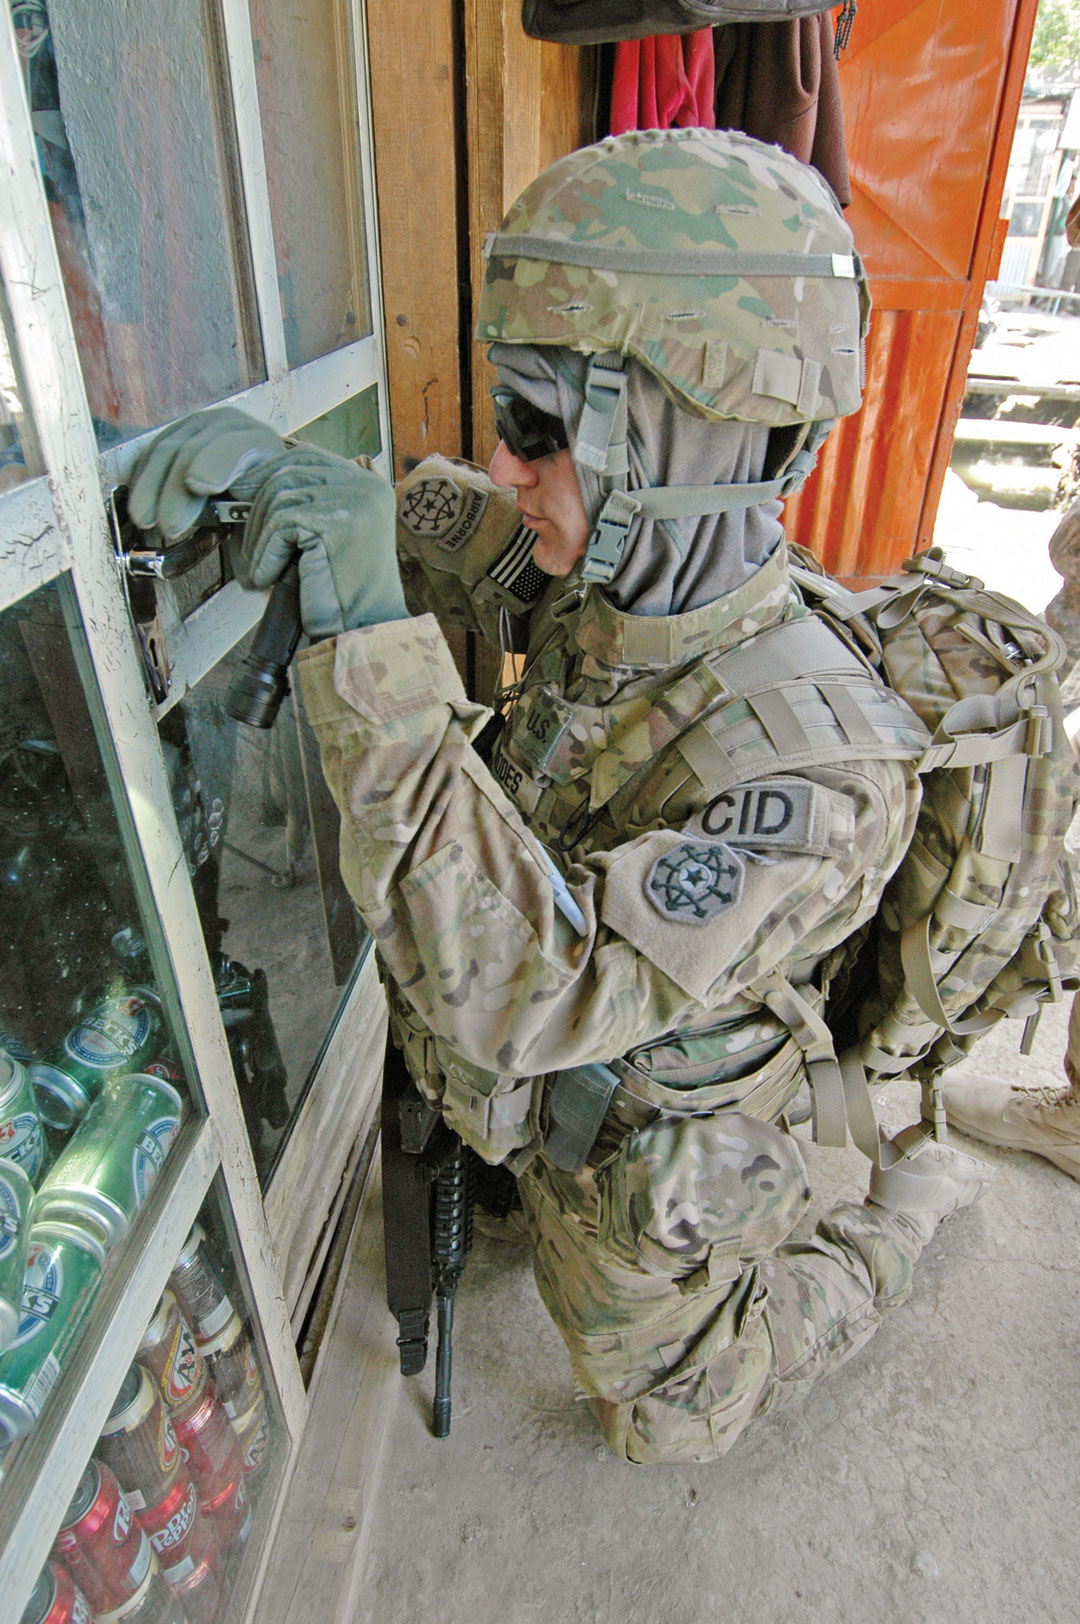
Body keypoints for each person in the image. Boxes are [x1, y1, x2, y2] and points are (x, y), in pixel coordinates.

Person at [129, 128, 990, 1465]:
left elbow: (534, 989)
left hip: (640, 1123)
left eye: (541, 427)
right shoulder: (632, 567)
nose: (508, 463)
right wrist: (298, 485)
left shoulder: (819, 778)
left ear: (685, 447)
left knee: (670, 1421)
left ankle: (901, 1219)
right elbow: (441, 524)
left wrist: (361, 625)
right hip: (527, 1081)